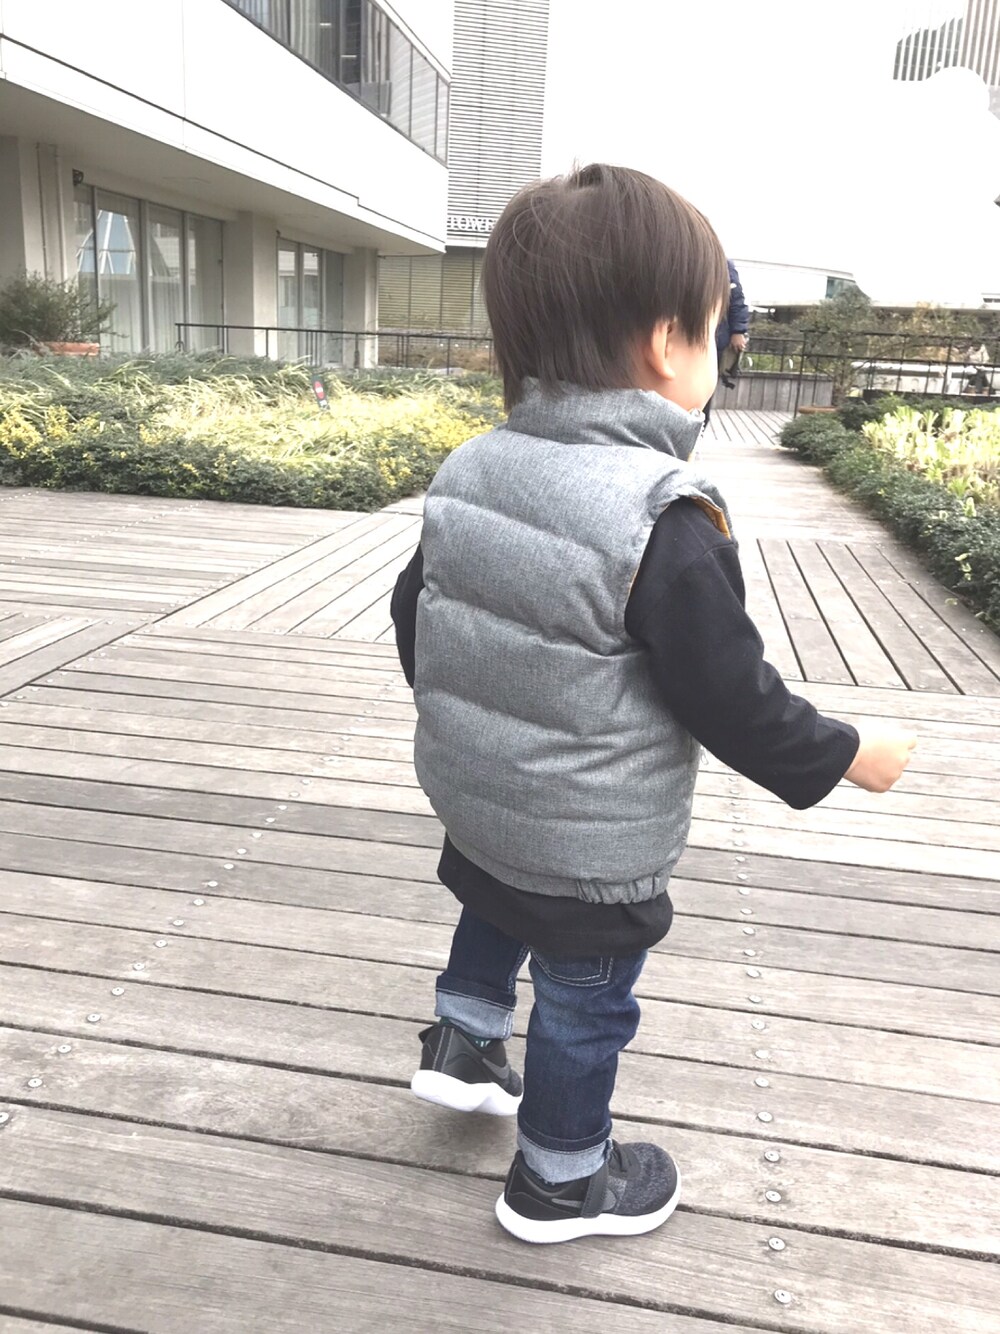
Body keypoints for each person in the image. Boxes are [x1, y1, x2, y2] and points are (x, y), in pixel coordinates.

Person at [390, 164, 916, 1246]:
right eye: (720, 331)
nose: (724, 355)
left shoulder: (470, 467)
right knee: (585, 996)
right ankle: (560, 1176)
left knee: (499, 884)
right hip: (594, 838)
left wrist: (478, 724)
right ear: (669, 341)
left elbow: (418, 616)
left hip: (477, 789)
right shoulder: (662, 515)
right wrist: (846, 752)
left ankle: (463, 1038)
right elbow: (729, 695)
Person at [702, 259, 749, 427]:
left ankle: (699, 429)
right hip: (686, 335)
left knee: (704, 389)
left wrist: (738, 331)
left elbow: (736, 300)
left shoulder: (723, 264)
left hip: (713, 340)